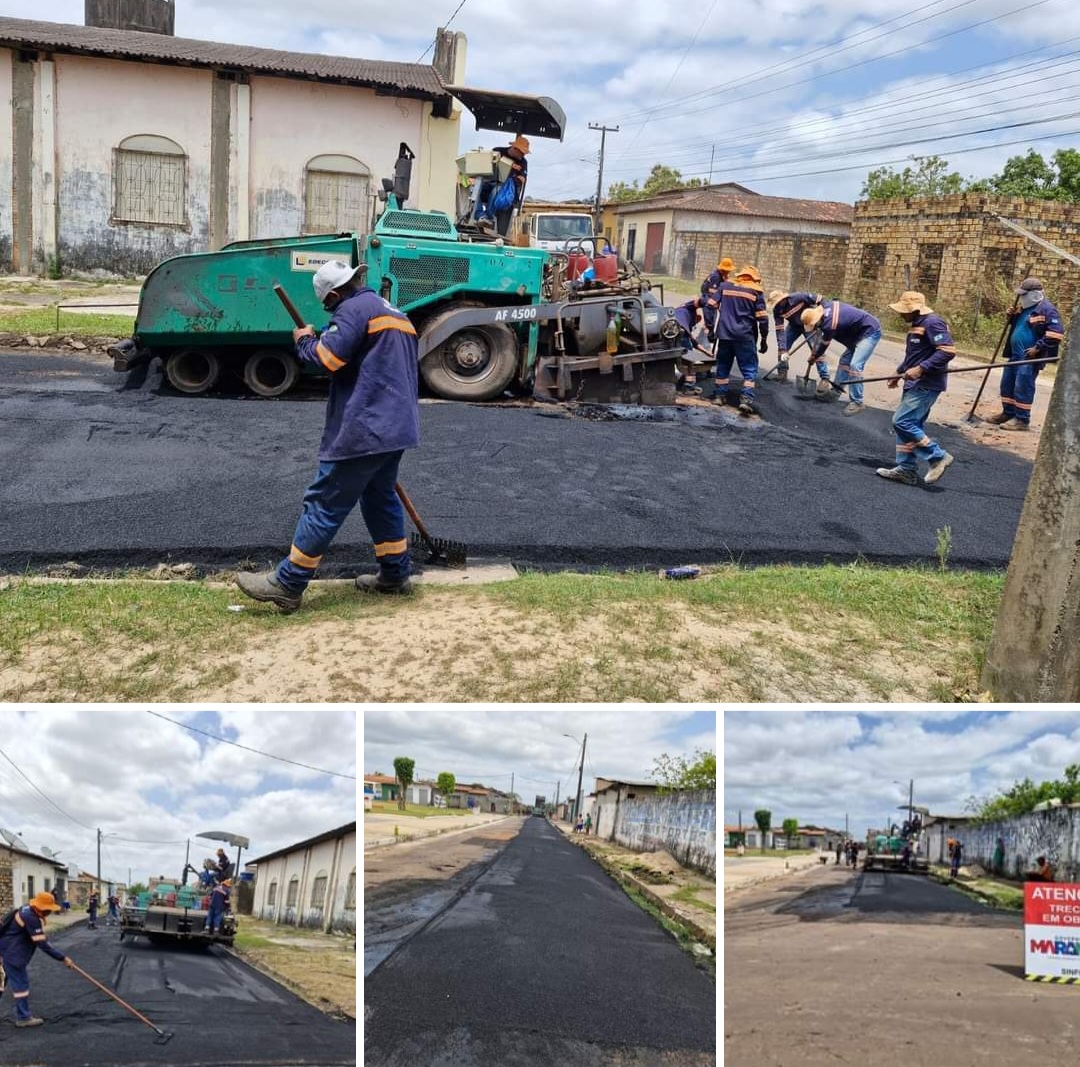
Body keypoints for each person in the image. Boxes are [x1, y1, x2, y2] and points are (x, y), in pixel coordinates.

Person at [235, 261, 421, 611]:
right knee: (379, 499)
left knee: (324, 500)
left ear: (335, 294)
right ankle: (395, 574)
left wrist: (305, 341)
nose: (332, 311)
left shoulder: (352, 310)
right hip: (397, 427)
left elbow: (327, 359)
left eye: (329, 306)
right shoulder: (392, 311)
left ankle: (287, 584)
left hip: (365, 428)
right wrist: (326, 331)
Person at [876, 290, 956, 486]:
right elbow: (915, 356)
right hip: (914, 382)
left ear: (915, 310)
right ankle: (906, 470)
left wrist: (921, 369)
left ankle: (937, 456)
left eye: (904, 310)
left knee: (902, 421)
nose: (900, 314)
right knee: (911, 426)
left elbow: (947, 351)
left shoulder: (933, 323)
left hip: (927, 383)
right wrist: (899, 371)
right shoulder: (917, 325)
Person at [987, 276, 1063, 431]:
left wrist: (1038, 348)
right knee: (1007, 384)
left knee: (1023, 387)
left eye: (1024, 294)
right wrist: (1011, 317)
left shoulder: (1047, 309)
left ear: (1034, 294)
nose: (1021, 297)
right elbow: (1019, 327)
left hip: (1029, 357)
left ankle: (1022, 420)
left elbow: (1056, 334)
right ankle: (1008, 413)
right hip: (1014, 355)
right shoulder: (1023, 309)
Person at [0, 892, 74, 1028]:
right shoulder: (30, 917)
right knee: (21, 985)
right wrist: (63, 958)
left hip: (4, 950)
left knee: (2, 983)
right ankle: (23, 1018)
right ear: (41, 908)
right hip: (12, 955)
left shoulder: (27, 908)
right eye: (48, 910)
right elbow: (42, 944)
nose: (49, 912)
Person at [800, 298, 882, 416]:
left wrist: (814, 357)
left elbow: (824, 345)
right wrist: (815, 355)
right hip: (857, 333)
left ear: (817, 321)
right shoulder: (825, 307)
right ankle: (836, 391)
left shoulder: (829, 324)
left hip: (870, 331)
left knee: (855, 365)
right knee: (844, 361)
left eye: (815, 326)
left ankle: (857, 402)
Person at [712, 265, 769, 415]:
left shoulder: (725, 286)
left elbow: (710, 304)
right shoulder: (755, 292)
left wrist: (711, 327)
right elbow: (763, 318)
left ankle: (719, 396)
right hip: (744, 335)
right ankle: (745, 400)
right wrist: (764, 339)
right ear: (754, 279)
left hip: (724, 334)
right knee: (750, 369)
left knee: (723, 365)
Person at [768, 290, 824, 384]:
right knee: (783, 346)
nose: (778, 306)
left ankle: (824, 378)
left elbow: (821, 300)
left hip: (810, 324)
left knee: (817, 350)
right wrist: (783, 349)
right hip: (794, 326)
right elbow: (779, 329)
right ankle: (782, 373)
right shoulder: (777, 310)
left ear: (783, 300)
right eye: (775, 305)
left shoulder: (799, 297)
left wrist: (821, 319)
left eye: (778, 303)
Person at [477, 135, 530, 237]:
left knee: (497, 190)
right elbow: (488, 166)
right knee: (474, 188)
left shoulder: (523, 163)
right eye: (522, 152)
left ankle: (489, 217)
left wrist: (510, 175)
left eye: (524, 153)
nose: (523, 155)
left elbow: (521, 180)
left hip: (506, 190)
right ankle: (480, 215)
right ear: (514, 148)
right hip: (490, 182)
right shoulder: (498, 151)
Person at [701, 257, 735, 339]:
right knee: (710, 314)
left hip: (710, 297)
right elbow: (712, 295)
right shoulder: (716, 277)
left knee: (713, 315)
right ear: (723, 270)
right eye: (728, 270)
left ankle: (709, 329)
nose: (729, 272)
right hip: (708, 298)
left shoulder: (720, 275)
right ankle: (709, 330)